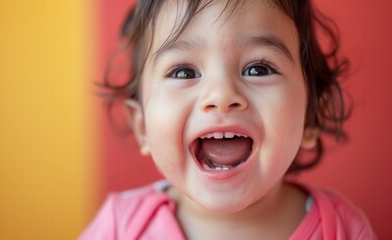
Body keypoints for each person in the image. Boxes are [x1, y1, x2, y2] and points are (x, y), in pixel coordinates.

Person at [81, 0, 376, 239]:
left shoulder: (343, 229)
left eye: (259, 69)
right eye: (184, 72)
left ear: (312, 115)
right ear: (142, 125)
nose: (221, 95)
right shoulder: (119, 227)